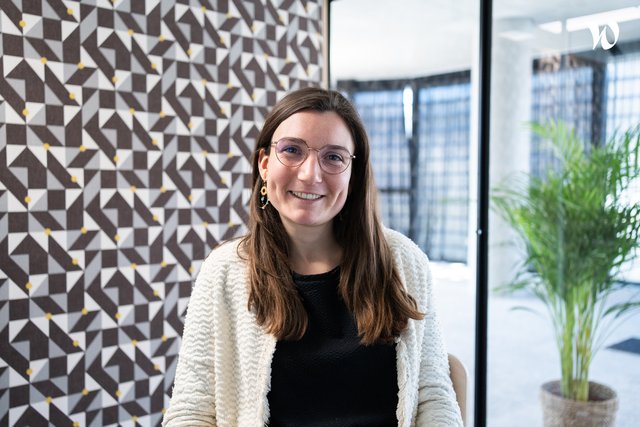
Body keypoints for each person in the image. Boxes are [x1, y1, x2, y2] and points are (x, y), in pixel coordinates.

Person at [162, 87, 463, 427]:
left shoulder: (404, 261)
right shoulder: (225, 270)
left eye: (333, 157)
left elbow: (434, 396)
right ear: (264, 164)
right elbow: (192, 411)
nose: (310, 174)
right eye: (292, 150)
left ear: (353, 175)